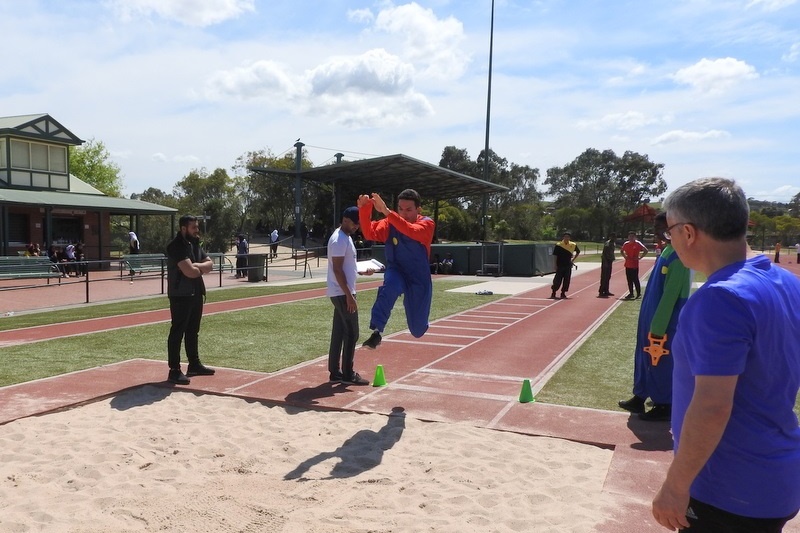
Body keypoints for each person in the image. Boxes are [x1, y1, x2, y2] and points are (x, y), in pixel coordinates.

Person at [652, 177, 800, 531]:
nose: (668, 241)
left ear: (688, 232)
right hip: (774, 473)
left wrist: (674, 486)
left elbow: (713, 406)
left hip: (728, 486)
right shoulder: (786, 283)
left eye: (669, 232)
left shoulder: (720, 298)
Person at [618, 213, 692, 421]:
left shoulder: (679, 257)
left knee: (661, 359)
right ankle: (640, 395)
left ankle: (664, 404)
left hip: (664, 321)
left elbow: (671, 295)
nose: (656, 231)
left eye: (661, 227)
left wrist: (659, 326)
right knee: (644, 356)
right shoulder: (666, 251)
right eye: (655, 227)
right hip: (650, 314)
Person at [358, 189, 435, 349]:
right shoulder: (389, 223)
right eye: (400, 209)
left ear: (418, 210)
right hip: (397, 271)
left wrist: (387, 211)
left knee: (417, 330)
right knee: (390, 287)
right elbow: (369, 232)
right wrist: (365, 210)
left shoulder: (427, 224)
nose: (403, 214)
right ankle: (377, 332)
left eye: (409, 210)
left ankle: (421, 320)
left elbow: (410, 230)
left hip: (418, 278)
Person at [165, 215, 216, 385]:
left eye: (197, 227)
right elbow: (190, 272)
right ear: (184, 228)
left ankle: (194, 364)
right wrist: (198, 268)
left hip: (195, 293)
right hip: (180, 295)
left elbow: (209, 264)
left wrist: (197, 266)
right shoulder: (176, 246)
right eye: (194, 227)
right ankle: (174, 370)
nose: (197, 230)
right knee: (177, 331)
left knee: (193, 330)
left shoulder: (194, 244)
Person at [326, 207, 372, 385]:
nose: (357, 227)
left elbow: (346, 266)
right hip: (342, 293)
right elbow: (337, 269)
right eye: (355, 223)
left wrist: (361, 271)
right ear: (346, 220)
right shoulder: (339, 239)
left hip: (342, 292)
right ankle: (347, 373)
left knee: (339, 332)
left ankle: (335, 372)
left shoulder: (346, 238)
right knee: (352, 333)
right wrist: (349, 296)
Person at [550, 231, 580, 299]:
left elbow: (578, 252)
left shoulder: (573, 245)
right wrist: (555, 265)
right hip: (560, 265)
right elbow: (555, 255)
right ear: (563, 237)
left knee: (567, 280)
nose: (566, 238)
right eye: (565, 236)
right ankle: (553, 292)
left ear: (570, 238)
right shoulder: (559, 245)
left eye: (568, 237)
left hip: (568, 265)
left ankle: (563, 293)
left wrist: (572, 260)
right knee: (557, 280)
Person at [620, 231, 648, 299]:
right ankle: (631, 293)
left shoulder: (638, 243)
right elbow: (621, 251)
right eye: (630, 236)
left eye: (633, 236)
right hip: (627, 264)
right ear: (628, 237)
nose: (631, 238)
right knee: (629, 280)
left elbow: (646, 250)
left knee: (635, 279)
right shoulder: (626, 244)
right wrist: (625, 256)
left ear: (635, 237)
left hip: (634, 265)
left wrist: (640, 257)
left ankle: (638, 293)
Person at [598, 232, 616, 297]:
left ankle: (606, 290)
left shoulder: (613, 243)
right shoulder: (607, 243)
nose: (613, 238)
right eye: (612, 236)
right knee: (604, 277)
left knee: (608, 276)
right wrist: (605, 262)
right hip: (606, 261)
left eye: (614, 237)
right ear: (610, 237)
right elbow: (604, 253)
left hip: (610, 260)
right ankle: (601, 291)